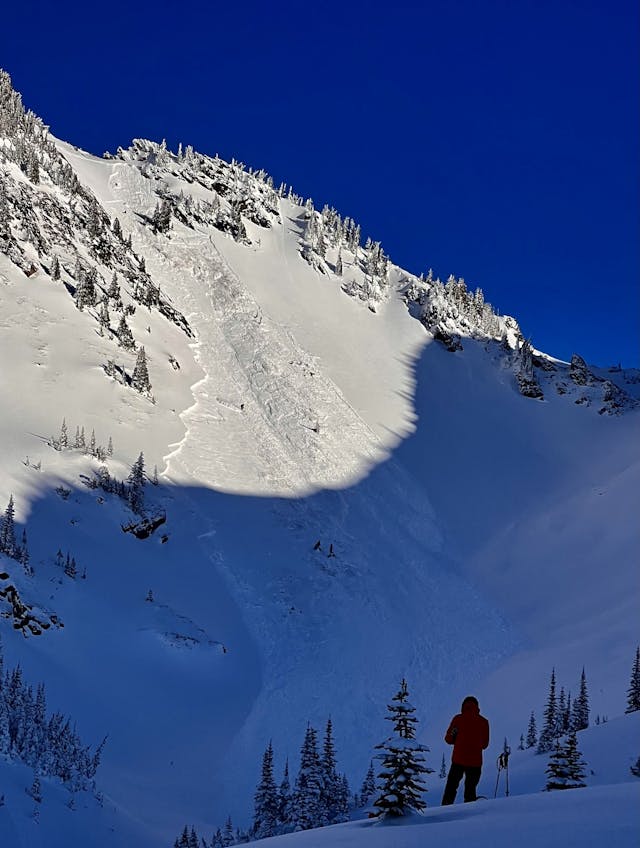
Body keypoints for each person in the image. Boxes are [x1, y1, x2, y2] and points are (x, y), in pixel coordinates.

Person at [441, 695, 490, 804]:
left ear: (463, 706)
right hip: (475, 762)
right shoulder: (484, 722)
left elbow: (448, 739)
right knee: (470, 790)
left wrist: (457, 739)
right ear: (477, 707)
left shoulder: (458, 719)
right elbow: (485, 744)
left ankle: (444, 812)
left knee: (451, 788)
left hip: (458, 760)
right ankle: (469, 815)